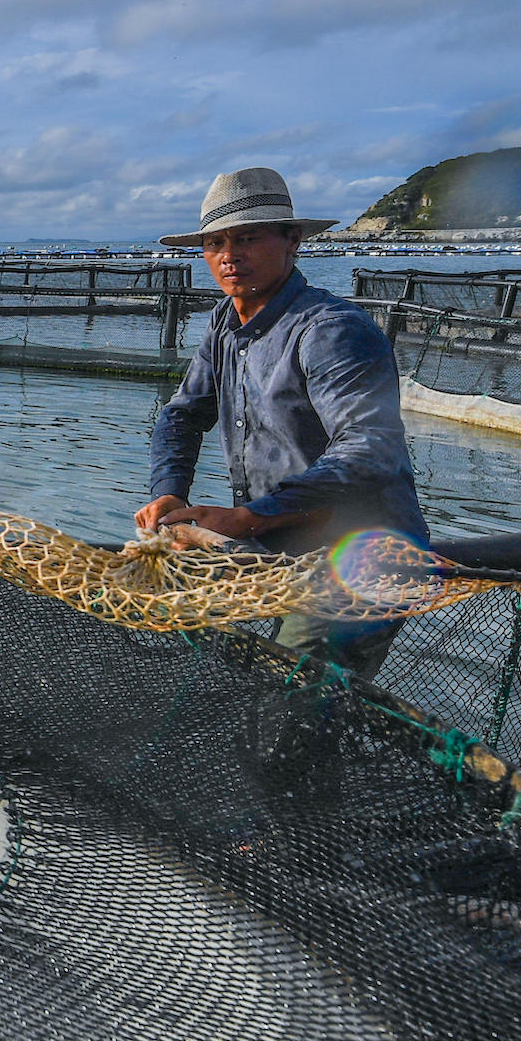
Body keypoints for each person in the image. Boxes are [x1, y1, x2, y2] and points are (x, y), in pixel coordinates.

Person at [137, 167, 426, 675]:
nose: (230, 255)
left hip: (360, 556)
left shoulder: (331, 331)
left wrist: (248, 516)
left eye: (248, 238)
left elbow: (367, 449)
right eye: (215, 243)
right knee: (275, 701)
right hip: (283, 551)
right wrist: (170, 491)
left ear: (293, 241)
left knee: (285, 704)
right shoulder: (225, 323)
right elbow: (182, 415)